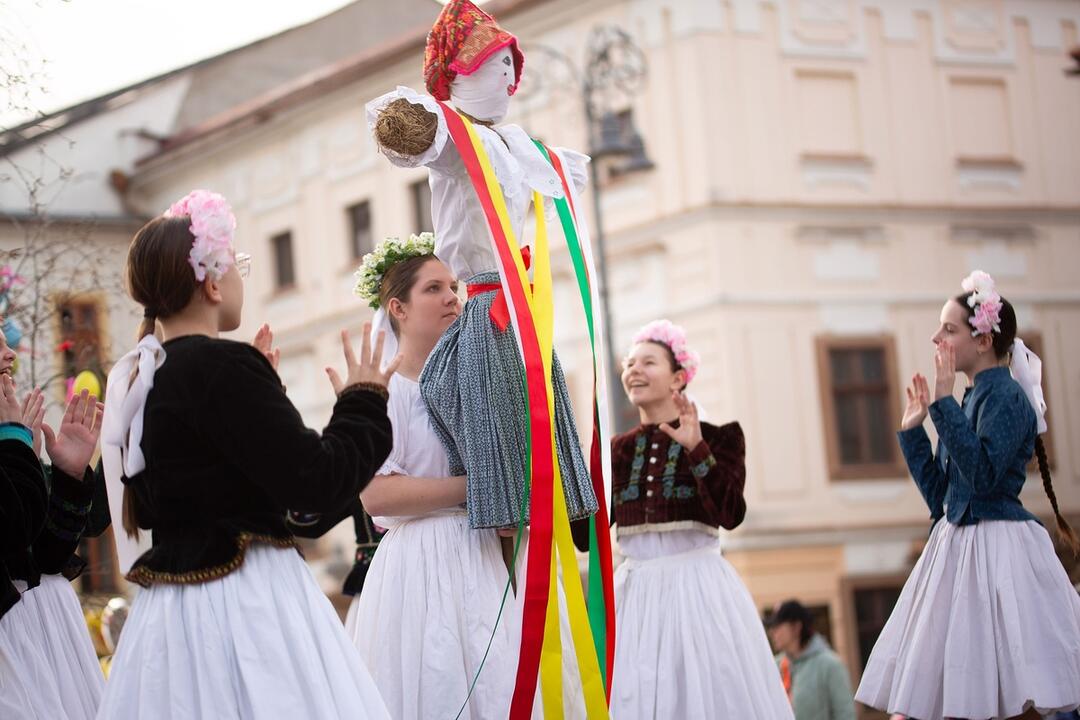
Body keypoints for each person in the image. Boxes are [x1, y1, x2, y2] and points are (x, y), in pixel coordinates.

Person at [95, 189, 395, 719]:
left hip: (170, 617)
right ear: (211, 281)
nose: (240, 280)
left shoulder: (145, 378)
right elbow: (317, 480)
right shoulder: (220, 367)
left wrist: (259, 396)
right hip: (246, 605)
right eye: (238, 266)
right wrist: (363, 402)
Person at [366, 0, 596, 531]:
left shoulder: (514, 145)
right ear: (461, 76)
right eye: (497, 65)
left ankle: (552, 487)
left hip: (517, 302)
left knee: (533, 389)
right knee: (489, 398)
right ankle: (505, 496)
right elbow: (416, 133)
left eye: (512, 67)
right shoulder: (455, 138)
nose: (509, 78)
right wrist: (418, 122)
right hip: (489, 297)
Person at [856, 270, 1080, 720]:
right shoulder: (971, 398)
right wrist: (913, 432)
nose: (937, 337)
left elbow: (981, 479)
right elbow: (944, 500)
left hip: (999, 550)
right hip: (958, 547)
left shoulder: (1007, 399)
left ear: (982, 341)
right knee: (956, 692)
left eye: (949, 329)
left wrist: (942, 403)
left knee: (1008, 692)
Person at [598, 319, 792, 719]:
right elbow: (586, 536)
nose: (633, 370)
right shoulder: (616, 450)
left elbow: (730, 513)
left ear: (678, 378)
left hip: (698, 592)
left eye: (648, 362)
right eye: (629, 363)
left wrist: (697, 449)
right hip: (635, 599)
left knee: (707, 698)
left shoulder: (721, 438)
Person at [766, 600, 856, 720]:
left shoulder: (830, 665)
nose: (772, 632)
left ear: (796, 627)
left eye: (778, 626)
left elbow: (845, 714)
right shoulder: (774, 666)